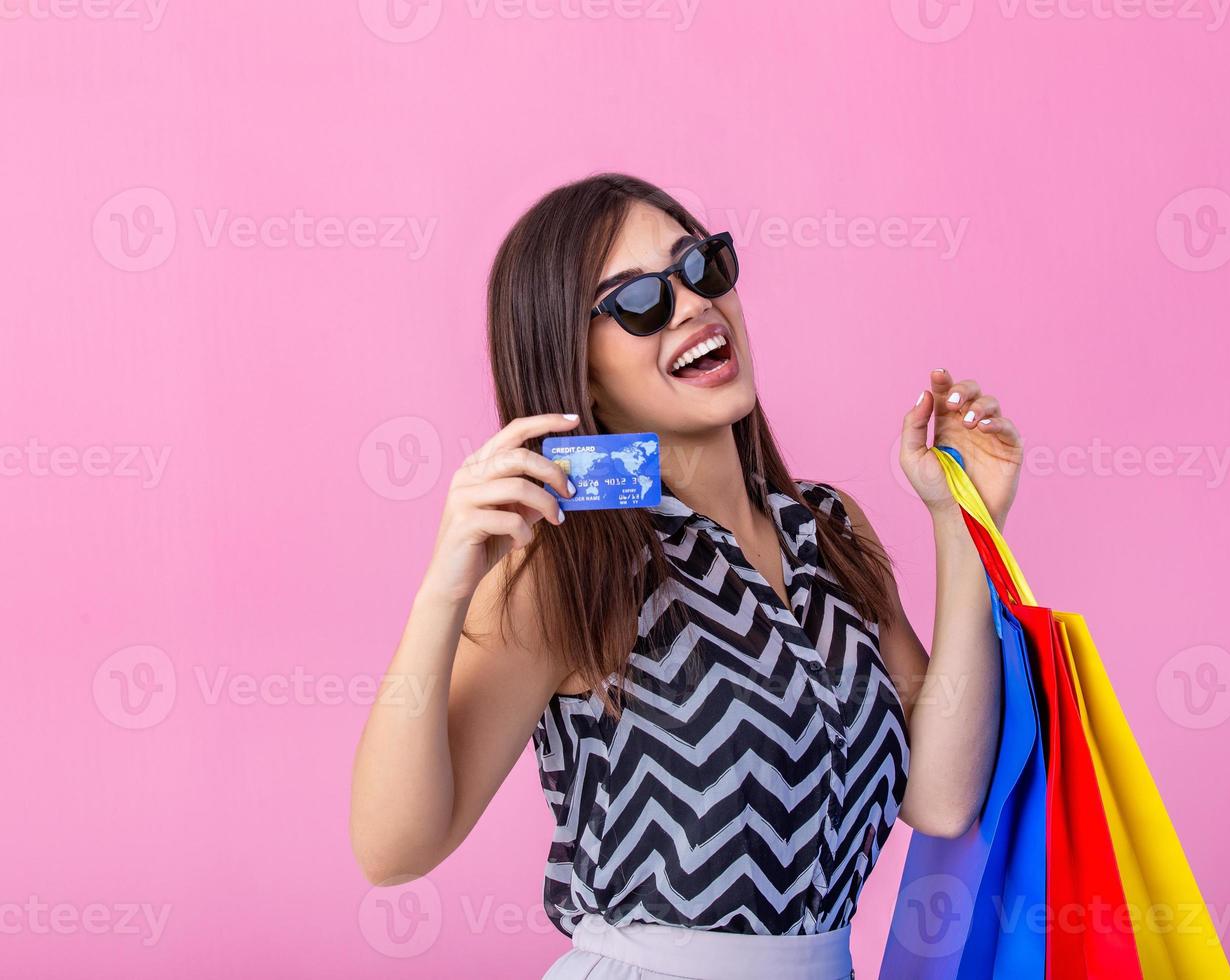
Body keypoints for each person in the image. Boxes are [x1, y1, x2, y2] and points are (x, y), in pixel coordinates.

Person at [349, 172, 1025, 979]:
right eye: (638, 301)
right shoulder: (566, 565)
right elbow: (392, 850)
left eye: (701, 267)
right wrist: (444, 588)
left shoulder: (828, 526)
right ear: (580, 366)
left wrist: (961, 519)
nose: (694, 304)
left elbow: (942, 795)